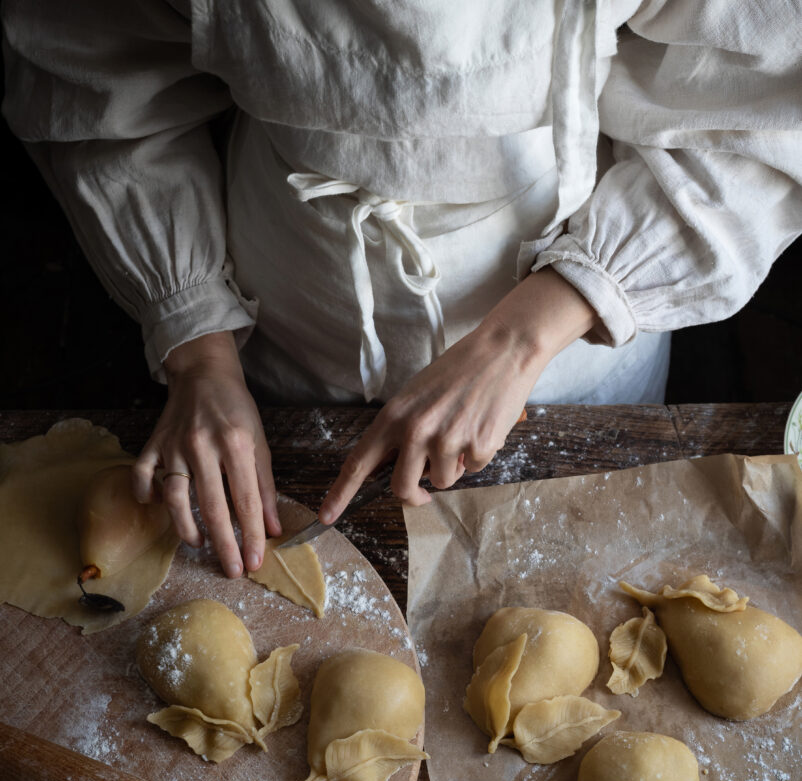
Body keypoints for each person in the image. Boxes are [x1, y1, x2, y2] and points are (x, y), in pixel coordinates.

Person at [3, 0, 801, 579]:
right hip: (282, 320)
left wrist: (523, 335)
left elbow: (751, 109)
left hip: (573, 335)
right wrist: (198, 350)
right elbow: (94, 74)